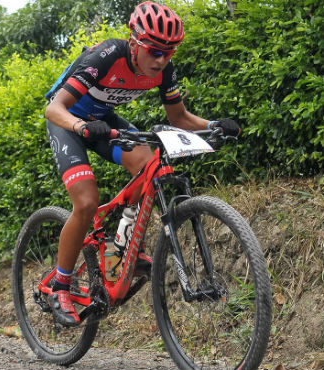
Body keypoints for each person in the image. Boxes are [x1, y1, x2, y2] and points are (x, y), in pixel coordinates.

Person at [45, 1, 240, 326]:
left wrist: (214, 125)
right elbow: (55, 108)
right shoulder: (106, 56)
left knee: (149, 166)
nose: (161, 59)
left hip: (103, 122)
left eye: (170, 51)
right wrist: (79, 126)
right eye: (154, 50)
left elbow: (178, 118)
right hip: (69, 123)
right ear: (135, 43)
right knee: (87, 202)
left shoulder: (164, 69)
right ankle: (60, 285)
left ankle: (120, 245)